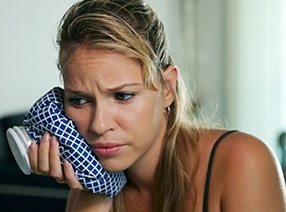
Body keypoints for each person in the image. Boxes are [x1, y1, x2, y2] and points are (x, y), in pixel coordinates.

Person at [28, 0, 286, 211]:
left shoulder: (242, 162)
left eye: (123, 96)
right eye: (79, 100)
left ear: (168, 89)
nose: (99, 125)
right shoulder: (90, 186)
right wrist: (94, 191)